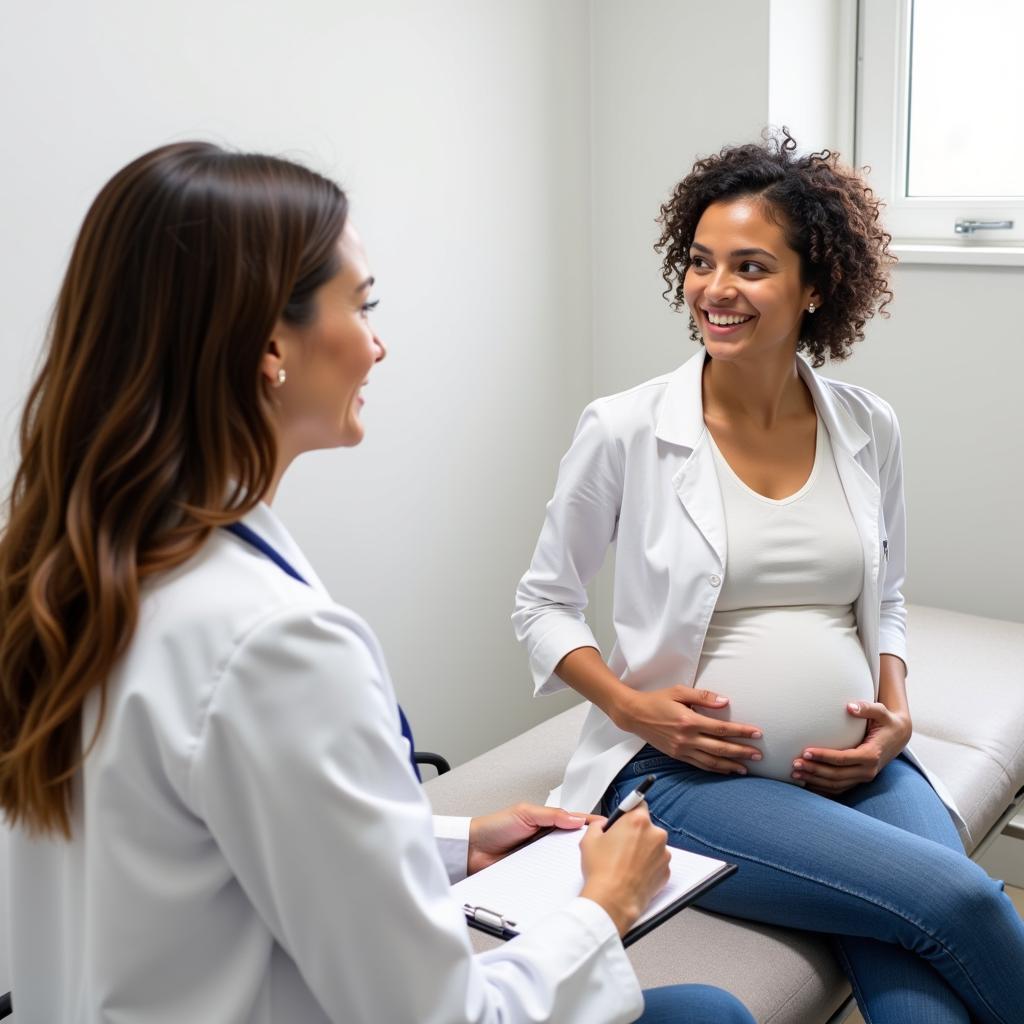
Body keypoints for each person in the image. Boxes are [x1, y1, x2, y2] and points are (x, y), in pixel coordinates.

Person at [0, 142, 756, 1024]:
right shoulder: (274, 646)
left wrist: (456, 840)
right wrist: (604, 907)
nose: (378, 344)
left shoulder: (74, 568)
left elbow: (193, 837)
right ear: (267, 345)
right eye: (362, 306)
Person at [513, 130, 1024, 1024]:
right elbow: (543, 605)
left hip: (858, 768)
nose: (716, 289)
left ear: (815, 286)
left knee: (921, 1005)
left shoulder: (868, 426)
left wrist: (895, 711)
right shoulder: (626, 428)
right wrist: (635, 709)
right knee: (967, 902)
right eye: (702, 262)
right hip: (688, 782)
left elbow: (888, 596)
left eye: (751, 267)